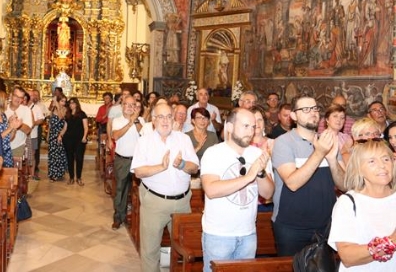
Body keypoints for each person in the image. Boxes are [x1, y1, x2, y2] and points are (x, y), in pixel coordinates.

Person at [271, 96, 346, 256]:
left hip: (326, 224)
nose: (312, 113)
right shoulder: (283, 142)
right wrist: (319, 153)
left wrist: (332, 159)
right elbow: (292, 183)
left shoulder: (327, 141)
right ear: (293, 116)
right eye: (305, 109)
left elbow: (344, 185)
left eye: (315, 109)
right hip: (292, 226)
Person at [201, 108, 274, 270]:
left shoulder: (257, 154)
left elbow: (268, 194)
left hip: (248, 234)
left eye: (253, 127)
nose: (250, 131)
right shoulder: (213, 153)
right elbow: (211, 190)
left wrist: (261, 172)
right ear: (229, 127)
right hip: (218, 235)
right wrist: (249, 177)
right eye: (245, 126)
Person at [131, 102, 199, 272]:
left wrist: (182, 164)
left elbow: (195, 167)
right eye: (160, 117)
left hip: (182, 203)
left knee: (184, 249)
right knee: (150, 250)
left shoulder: (183, 139)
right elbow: (138, 172)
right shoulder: (145, 141)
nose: (165, 120)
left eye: (169, 116)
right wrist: (160, 167)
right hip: (155, 202)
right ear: (153, 120)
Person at [328, 139, 396, 271]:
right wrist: (391, 242)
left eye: (386, 159)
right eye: (372, 161)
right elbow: (348, 257)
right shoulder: (348, 203)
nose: (382, 166)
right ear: (359, 168)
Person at [111, 95, 143, 230]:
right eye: (127, 104)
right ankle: (119, 217)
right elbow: (116, 136)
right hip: (122, 160)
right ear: (122, 106)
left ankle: (133, 217)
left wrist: (135, 121)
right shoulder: (117, 120)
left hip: (138, 161)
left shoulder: (140, 120)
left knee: (137, 191)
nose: (130, 107)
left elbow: (145, 135)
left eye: (133, 105)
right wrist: (129, 123)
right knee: (120, 190)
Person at [64, 97, 89, 186]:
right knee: (70, 158)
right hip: (68, 139)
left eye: (73, 103)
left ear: (76, 104)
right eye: (70, 103)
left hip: (79, 139)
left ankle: (78, 178)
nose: (71, 105)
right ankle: (71, 178)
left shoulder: (82, 114)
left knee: (79, 158)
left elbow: (86, 127)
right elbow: (65, 127)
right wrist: (60, 135)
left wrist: (84, 137)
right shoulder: (68, 114)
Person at [5, 86, 33, 159]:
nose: (18, 99)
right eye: (16, 96)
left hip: (18, 146)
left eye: (20, 98)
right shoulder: (3, 107)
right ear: (11, 95)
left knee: (15, 170)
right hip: (1, 145)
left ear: (23, 99)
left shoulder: (26, 110)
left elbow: (28, 130)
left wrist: (18, 125)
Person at [48, 94, 68, 182]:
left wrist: (58, 106)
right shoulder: (53, 109)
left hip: (60, 134)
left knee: (58, 155)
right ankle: (52, 174)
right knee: (52, 155)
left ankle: (58, 173)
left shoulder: (64, 110)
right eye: (62, 101)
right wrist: (48, 134)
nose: (63, 103)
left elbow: (60, 117)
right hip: (52, 134)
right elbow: (50, 123)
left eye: (64, 101)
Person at [28, 89, 46, 180]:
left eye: (32, 95)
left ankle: (31, 174)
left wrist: (34, 123)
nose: (32, 97)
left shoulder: (36, 108)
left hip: (33, 134)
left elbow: (42, 119)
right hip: (21, 135)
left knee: (32, 154)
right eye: (29, 95)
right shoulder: (21, 106)